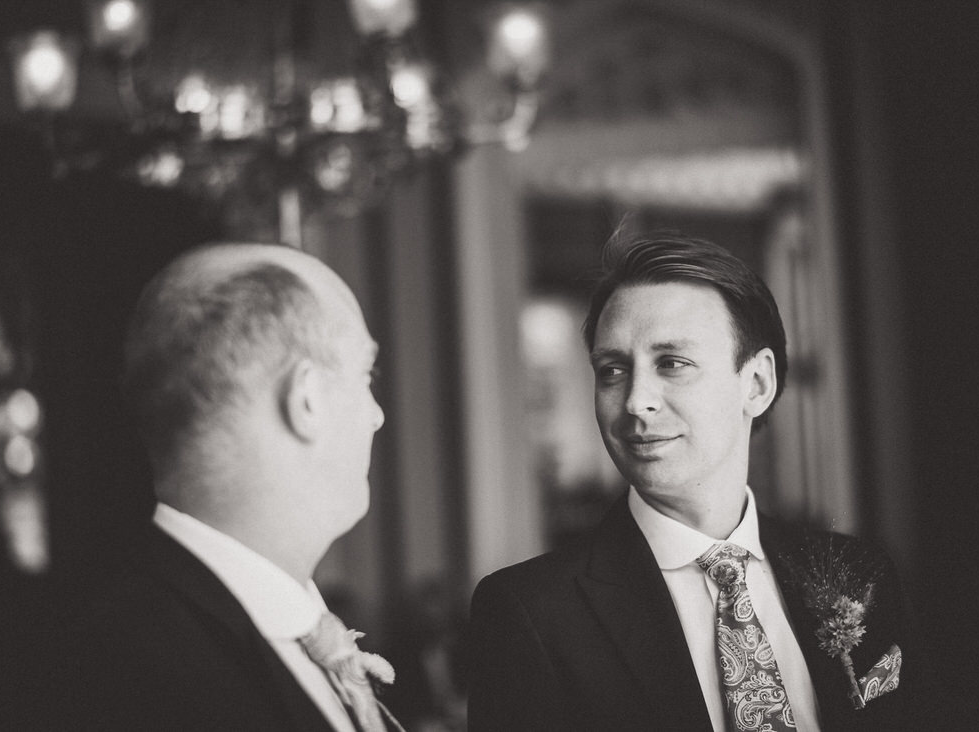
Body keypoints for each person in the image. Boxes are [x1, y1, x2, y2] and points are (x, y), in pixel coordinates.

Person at [467, 229, 917, 731]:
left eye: (673, 363)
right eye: (612, 370)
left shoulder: (861, 574)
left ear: (757, 384)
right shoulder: (530, 611)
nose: (637, 401)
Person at [45, 243, 400, 731]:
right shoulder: (139, 674)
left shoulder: (286, 633)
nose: (377, 415)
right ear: (306, 400)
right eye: (366, 374)